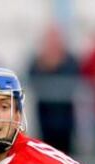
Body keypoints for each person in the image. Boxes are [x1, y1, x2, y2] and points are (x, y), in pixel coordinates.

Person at [27, 25, 80, 154]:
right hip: (45, 118)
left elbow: (74, 77)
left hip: (66, 119)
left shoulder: (70, 60)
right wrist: (45, 65)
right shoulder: (37, 61)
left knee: (66, 154)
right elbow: (32, 78)